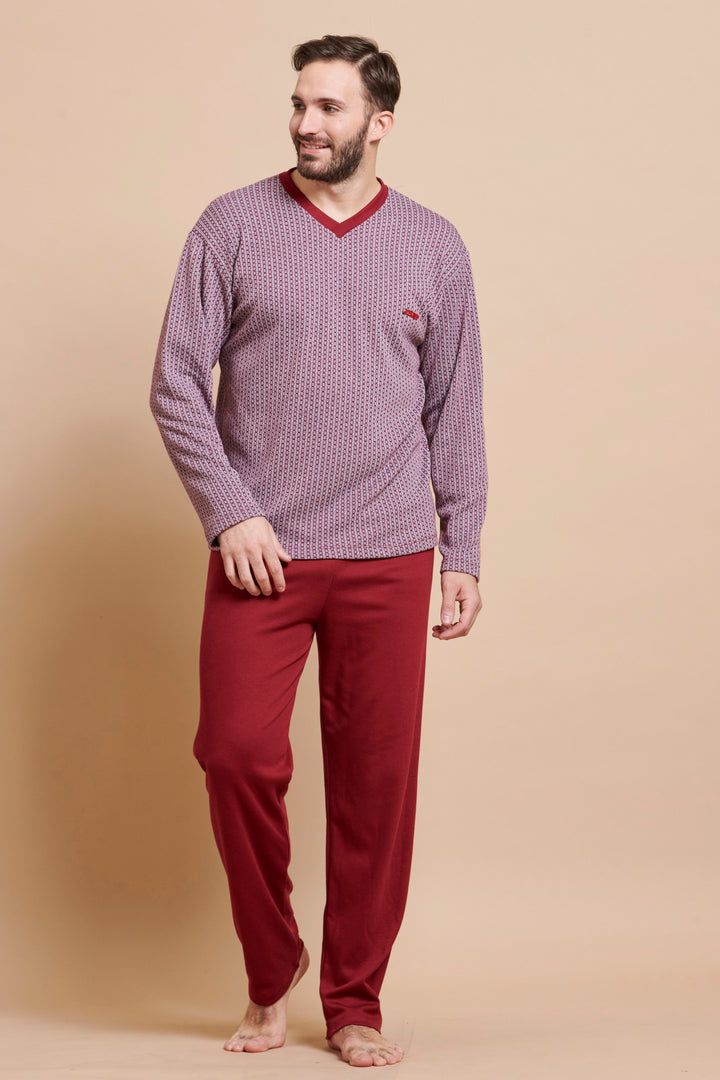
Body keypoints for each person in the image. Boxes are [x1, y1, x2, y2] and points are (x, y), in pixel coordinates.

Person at [149, 33, 488, 1069]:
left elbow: (456, 408)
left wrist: (463, 545)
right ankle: (272, 970)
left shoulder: (434, 245)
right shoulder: (232, 226)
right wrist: (230, 512)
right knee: (236, 755)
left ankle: (354, 1001)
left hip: (390, 552)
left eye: (329, 108)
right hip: (262, 553)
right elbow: (175, 384)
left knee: (376, 788)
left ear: (379, 124)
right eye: (299, 103)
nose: (305, 123)